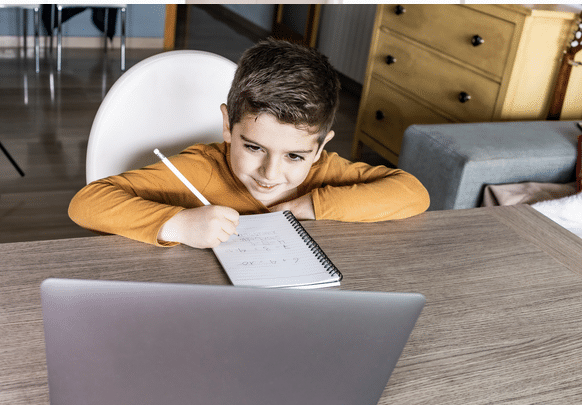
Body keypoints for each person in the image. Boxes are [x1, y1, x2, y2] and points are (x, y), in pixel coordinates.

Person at [69, 39, 429, 248]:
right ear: (227, 126)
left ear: (320, 148)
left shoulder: (324, 172)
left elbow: (413, 193)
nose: (271, 174)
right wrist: (178, 224)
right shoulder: (200, 168)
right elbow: (86, 204)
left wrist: (310, 205)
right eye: (254, 148)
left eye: (294, 155)